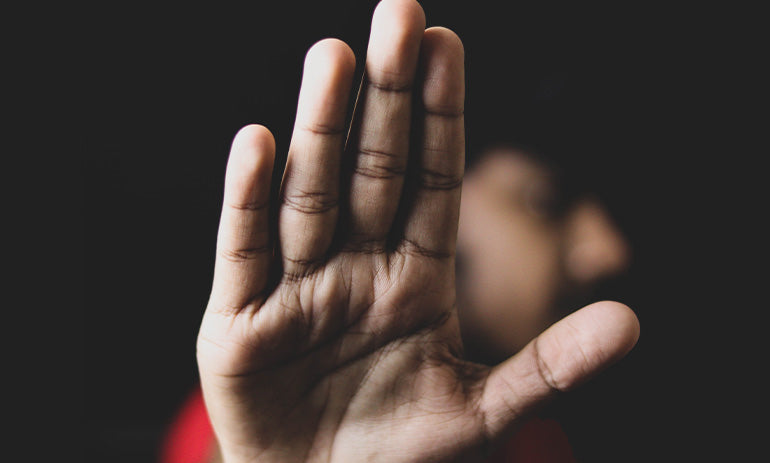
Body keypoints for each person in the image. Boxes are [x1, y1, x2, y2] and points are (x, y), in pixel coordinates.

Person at [163, 0, 640, 461]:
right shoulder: (256, 412)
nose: (609, 251)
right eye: (546, 202)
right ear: (424, 195)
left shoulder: (538, 439)